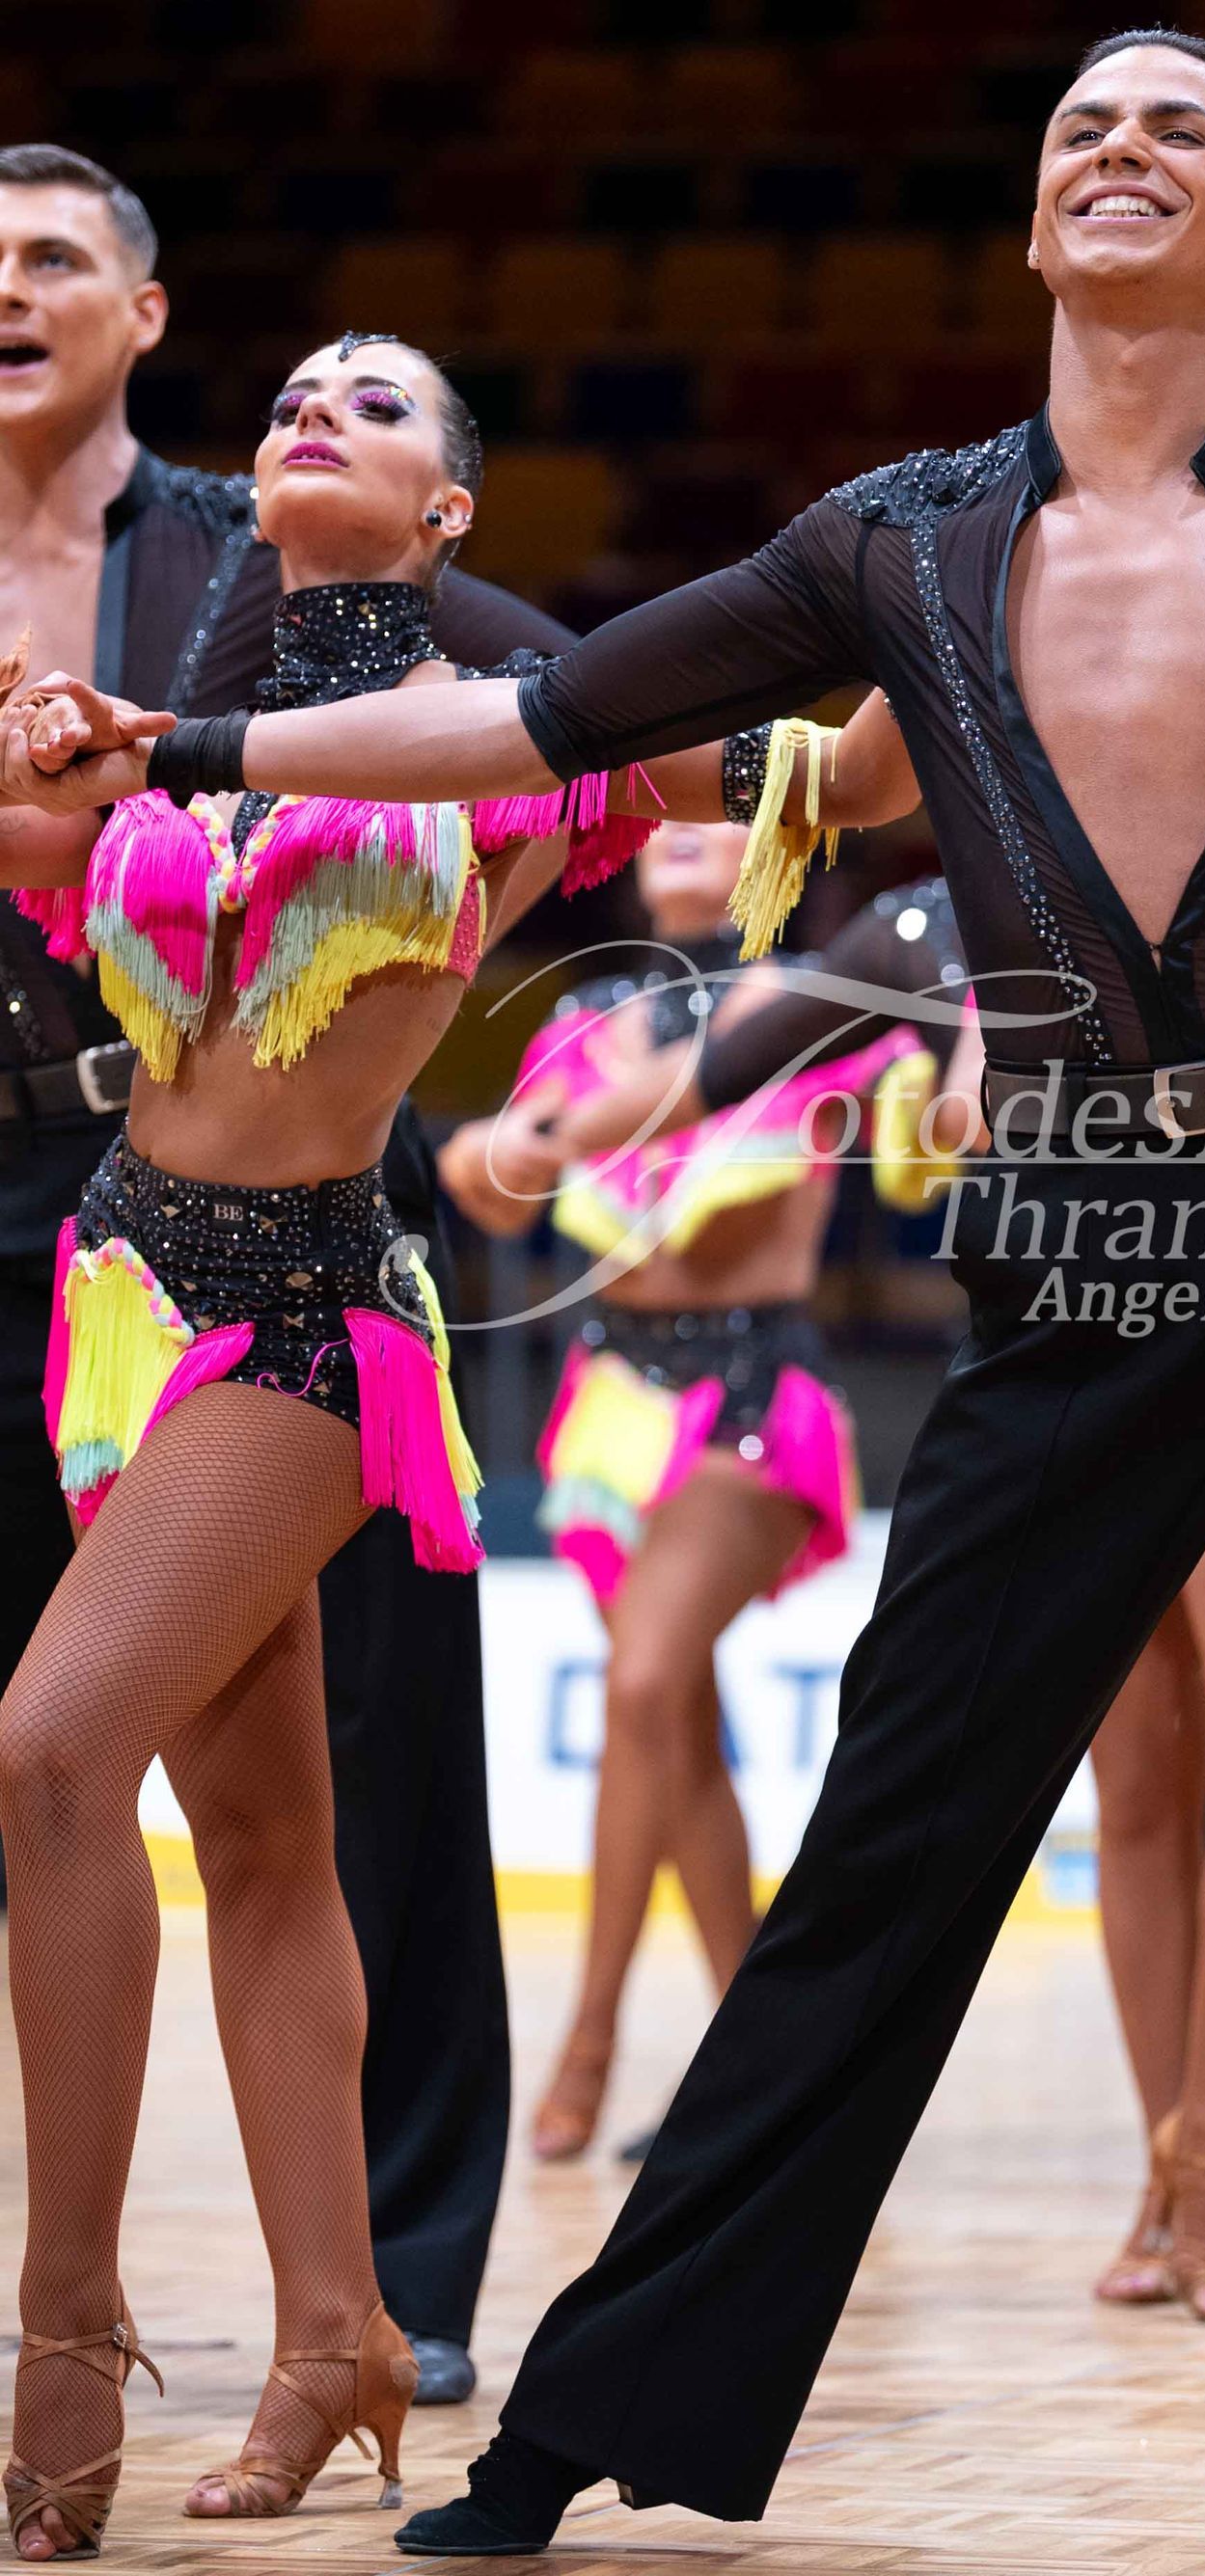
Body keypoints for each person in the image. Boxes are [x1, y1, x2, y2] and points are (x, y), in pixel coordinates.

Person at [10, 31, 1205, 2574]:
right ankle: (580, 2428)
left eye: (1183, 130)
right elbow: (538, 715)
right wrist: (190, 748)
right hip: (1074, 1252)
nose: (1123, 148)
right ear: (1036, 226)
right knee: (885, 1863)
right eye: (1083, 128)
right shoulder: (901, 539)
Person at [0, 331, 634, 2557]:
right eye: (292, 394)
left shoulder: (516, 745)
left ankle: (67, 2323)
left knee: (45, 1756)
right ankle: (335, 2336)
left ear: (452, 507)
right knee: (265, 1847)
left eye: (376, 406)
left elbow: (821, 765)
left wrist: (922, 593)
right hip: (116, 1301)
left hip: (302, 1318)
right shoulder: (177, 747)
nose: (311, 412)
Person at [440, 820, 907, 2165]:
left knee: (645, 1684)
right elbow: (499, 1202)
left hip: (753, 1399)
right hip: (611, 1410)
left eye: (727, 811)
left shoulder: (819, 1003)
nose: (690, 831)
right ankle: (770, 2075)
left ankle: (588, 2038)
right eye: (668, 819)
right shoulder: (584, 1019)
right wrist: (488, 1152)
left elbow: (913, 1134)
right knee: (677, 1729)